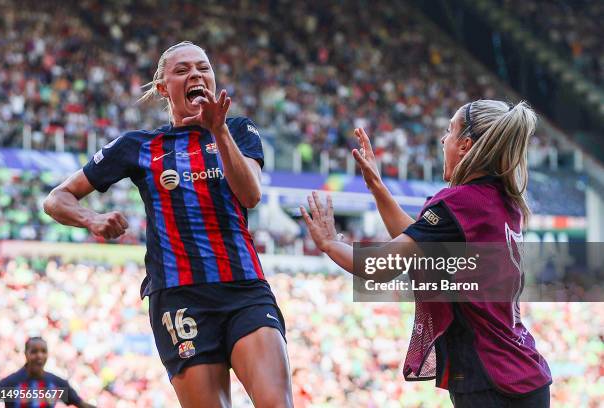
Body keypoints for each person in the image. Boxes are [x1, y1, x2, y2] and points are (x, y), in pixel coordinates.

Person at [43, 41, 293, 408]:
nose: (195, 74)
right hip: (178, 297)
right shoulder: (139, 146)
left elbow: (251, 194)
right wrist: (92, 218)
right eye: (182, 70)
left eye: (203, 67)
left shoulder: (237, 130)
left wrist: (218, 131)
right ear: (163, 87)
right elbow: (56, 199)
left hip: (243, 287)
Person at [301, 100, 551, 407]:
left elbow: (382, 266)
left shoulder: (461, 203)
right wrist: (378, 187)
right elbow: (421, 248)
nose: (444, 140)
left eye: (449, 131)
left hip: (491, 382)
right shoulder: (499, 201)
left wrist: (329, 243)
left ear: (466, 145)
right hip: (523, 376)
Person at [0, 337, 95, 407]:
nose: (39, 356)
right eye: (34, 351)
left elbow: (80, 404)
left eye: (43, 351)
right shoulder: (10, 383)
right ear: (25, 354)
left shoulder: (57, 384)